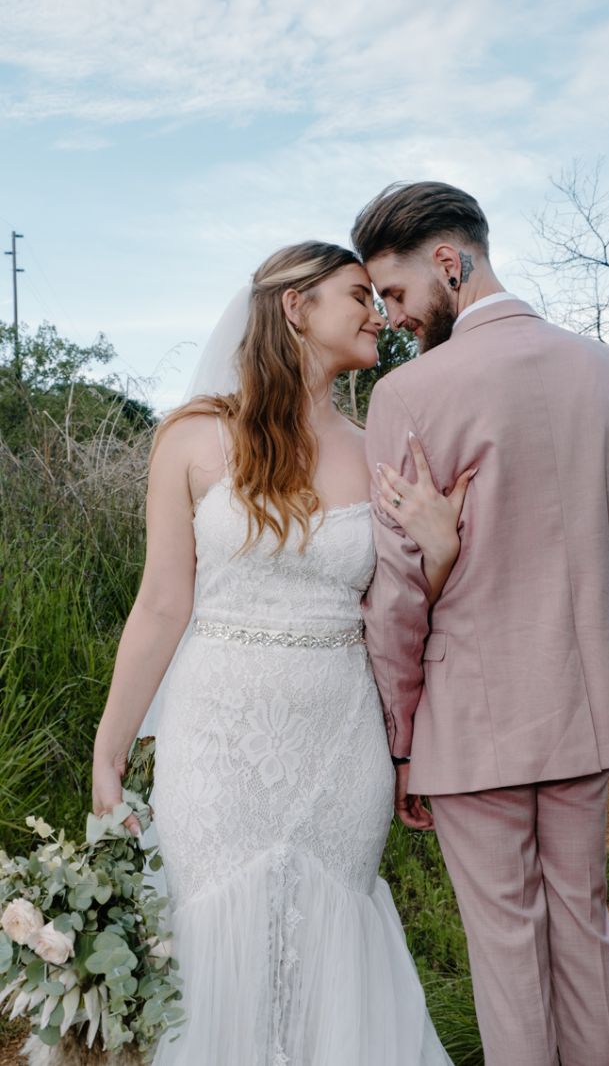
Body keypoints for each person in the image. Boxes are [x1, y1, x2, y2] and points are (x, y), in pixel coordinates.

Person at [92, 242, 471, 1066]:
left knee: (331, 937)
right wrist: (110, 748)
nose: (379, 312)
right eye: (358, 295)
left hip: (339, 742)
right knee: (213, 940)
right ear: (296, 308)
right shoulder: (192, 440)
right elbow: (161, 604)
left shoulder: (379, 449)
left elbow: (404, 607)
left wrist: (441, 555)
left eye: (379, 296)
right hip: (214, 739)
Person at [351, 183, 609, 1066]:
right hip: (582, 703)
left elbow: (400, 590)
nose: (396, 318)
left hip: (470, 718)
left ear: (451, 262)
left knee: (508, 946)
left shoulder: (408, 396)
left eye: (397, 293)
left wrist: (403, 738)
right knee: (586, 926)